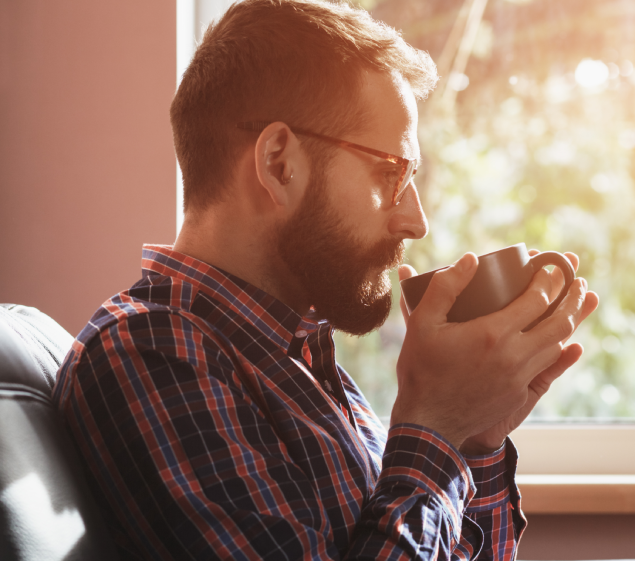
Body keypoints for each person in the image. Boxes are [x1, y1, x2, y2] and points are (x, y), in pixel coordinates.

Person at [52, 0, 598, 559]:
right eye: (391, 173)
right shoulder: (152, 353)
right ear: (279, 163)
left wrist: (474, 439)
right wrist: (433, 427)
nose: (415, 219)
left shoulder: (302, 360)